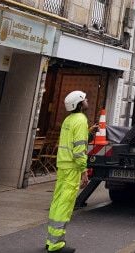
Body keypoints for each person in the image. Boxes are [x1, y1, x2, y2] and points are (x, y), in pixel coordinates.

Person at [46, 91, 90, 252]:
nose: (87, 100)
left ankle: (51, 240)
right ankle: (56, 244)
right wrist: (84, 171)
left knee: (57, 202)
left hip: (63, 165)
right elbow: (79, 150)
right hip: (72, 167)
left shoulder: (68, 120)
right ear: (79, 104)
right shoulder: (80, 120)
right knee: (65, 204)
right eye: (84, 99)